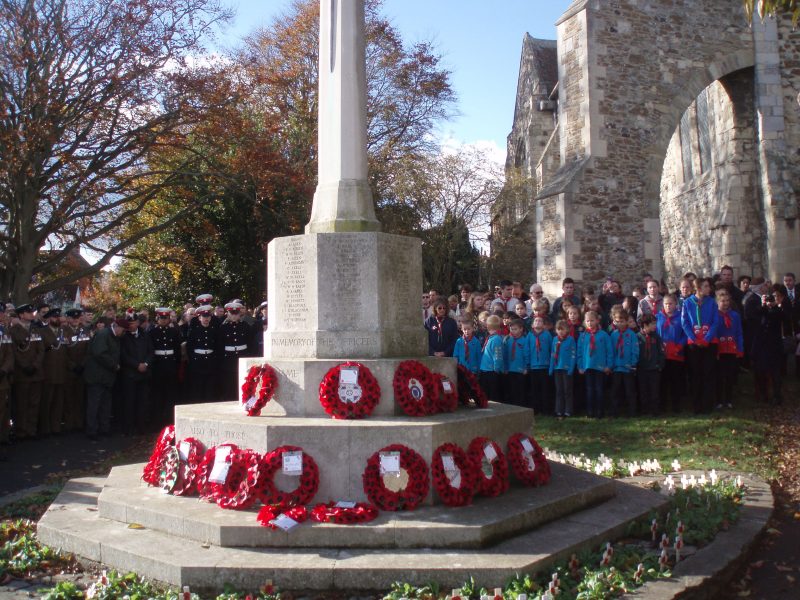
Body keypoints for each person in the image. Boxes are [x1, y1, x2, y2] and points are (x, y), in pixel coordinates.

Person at [681, 277, 720, 414]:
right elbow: (685, 322)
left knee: (708, 373)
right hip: (694, 344)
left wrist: (707, 338)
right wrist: (694, 338)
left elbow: (716, 321)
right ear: (698, 288)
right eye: (706, 286)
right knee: (695, 374)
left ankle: (708, 404)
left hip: (710, 342)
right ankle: (696, 405)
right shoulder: (687, 303)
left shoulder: (712, 302)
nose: (709, 289)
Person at [83, 318, 126, 440]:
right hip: (97, 376)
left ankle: (104, 428)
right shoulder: (103, 335)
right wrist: (114, 365)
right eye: (123, 330)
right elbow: (99, 353)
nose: (124, 333)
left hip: (107, 377)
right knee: (94, 404)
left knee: (105, 404)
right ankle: (92, 430)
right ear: (117, 327)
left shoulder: (112, 336)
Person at [10, 304, 44, 439]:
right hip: (22, 373)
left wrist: (35, 365)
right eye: (28, 312)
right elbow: (14, 351)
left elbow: (41, 350)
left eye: (31, 312)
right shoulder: (14, 331)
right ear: (21, 315)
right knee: (21, 404)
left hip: (36, 372)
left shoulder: (35, 329)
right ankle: (21, 431)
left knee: (34, 403)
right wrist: (24, 366)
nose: (31, 314)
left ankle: (31, 430)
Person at [751, 285, 786, 405]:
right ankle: (763, 394)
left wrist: (775, 306)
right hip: (761, 344)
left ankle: (777, 395)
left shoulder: (780, 310)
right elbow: (755, 315)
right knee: (761, 370)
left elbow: (781, 317)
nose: (773, 299)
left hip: (775, 345)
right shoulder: (762, 308)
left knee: (775, 372)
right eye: (772, 297)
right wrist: (763, 305)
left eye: (776, 297)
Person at [119, 316, 154, 434]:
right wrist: (136, 365)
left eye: (133, 323)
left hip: (144, 374)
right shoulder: (124, 337)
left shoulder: (145, 335)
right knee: (129, 402)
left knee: (142, 401)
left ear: (138, 323)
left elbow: (151, 351)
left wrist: (146, 364)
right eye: (129, 324)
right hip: (130, 374)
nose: (131, 326)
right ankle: (128, 428)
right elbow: (123, 355)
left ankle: (141, 427)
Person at [38, 308, 69, 435]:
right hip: (48, 372)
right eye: (54, 317)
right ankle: (45, 428)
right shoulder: (42, 332)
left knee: (58, 402)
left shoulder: (63, 331)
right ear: (49, 318)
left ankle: (56, 427)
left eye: (58, 317)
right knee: (47, 402)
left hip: (61, 372)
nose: (57, 319)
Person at [577, 310, 612, 419]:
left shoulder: (603, 335)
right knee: (589, 390)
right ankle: (590, 412)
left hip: (600, 367)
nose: (590, 323)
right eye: (587, 321)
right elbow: (579, 352)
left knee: (599, 390)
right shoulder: (583, 336)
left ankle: (600, 412)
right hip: (588, 367)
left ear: (597, 321)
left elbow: (609, 351)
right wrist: (580, 366)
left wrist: (609, 365)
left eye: (592, 320)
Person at [150, 307, 182, 426]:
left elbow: (177, 350)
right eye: (161, 318)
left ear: (169, 319)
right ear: (157, 318)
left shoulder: (174, 332)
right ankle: (157, 421)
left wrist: (175, 366)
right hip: (158, 366)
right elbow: (150, 350)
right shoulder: (152, 332)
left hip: (170, 365)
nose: (163, 320)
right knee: (157, 395)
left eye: (166, 318)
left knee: (170, 394)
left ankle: (169, 420)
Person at [657, 294, 687, 413]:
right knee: (662, 381)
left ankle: (676, 406)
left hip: (676, 353)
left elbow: (685, 334)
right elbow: (655, 333)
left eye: (670, 303)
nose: (668, 306)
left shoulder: (681, 317)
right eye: (666, 304)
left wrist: (679, 346)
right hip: (662, 353)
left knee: (676, 381)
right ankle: (662, 406)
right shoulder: (658, 317)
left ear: (675, 304)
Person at [715, 289, 743, 410]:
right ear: (717, 302)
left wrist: (740, 348)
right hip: (719, 350)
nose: (725, 303)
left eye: (727, 301)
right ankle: (719, 400)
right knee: (719, 376)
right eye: (722, 301)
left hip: (731, 349)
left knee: (730, 376)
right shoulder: (715, 315)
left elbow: (739, 333)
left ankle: (729, 400)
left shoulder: (735, 315)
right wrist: (715, 350)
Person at [218, 301, 252, 401]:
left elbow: (250, 342)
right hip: (228, 359)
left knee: (242, 382)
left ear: (239, 314)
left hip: (242, 356)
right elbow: (220, 345)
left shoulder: (245, 326)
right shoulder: (223, 327)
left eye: (236, 313)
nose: (234, 316)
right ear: (228, 314)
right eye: (232, 313)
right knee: (229, 384)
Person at [64, 308, 90, 432]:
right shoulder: (63, 331)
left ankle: (79, 423)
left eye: (77, 318)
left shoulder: (85, 330)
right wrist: (72, 365)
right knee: (68, 398)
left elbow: (89, 350)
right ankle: (69, 424)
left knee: (80, 398)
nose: (75, 320)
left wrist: (83, 364)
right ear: (68, 318)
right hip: (69, 370)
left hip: (82, 369)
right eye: (73, 318)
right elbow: (62, 352)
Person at [609, 309, 639, 417]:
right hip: (616, 367)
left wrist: (633, 363)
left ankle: (632, 411)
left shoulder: (632, 335)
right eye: (617, 321)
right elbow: (611, 351)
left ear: (626, 321)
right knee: (615, 390)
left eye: (622, 321)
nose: (620, 324)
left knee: (630, 390)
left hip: (628, 367)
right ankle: (614, 412)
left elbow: (635, 350)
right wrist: (611, 364)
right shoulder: (613, 335)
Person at [186, 305, 219, 403]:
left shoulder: (214, 330)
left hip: (210, 360)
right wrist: (193, 360)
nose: (206, 319)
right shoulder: (194, 331)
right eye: (204, 316)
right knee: (198, 387)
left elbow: (217, 346)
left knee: (210, 388)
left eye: (208, 316)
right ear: (199, 318)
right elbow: (189, 347)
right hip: (198, 361)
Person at [637, 314, 665, 416]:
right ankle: (644, 410)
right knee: (643, 390)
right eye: (652, 324)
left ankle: (655, 410)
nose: (655, 326)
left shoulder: (656, 337)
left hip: (654, 369)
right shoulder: (637, 337)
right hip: (642, 369)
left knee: (654, 391)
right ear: (645, 325)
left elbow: (661, 351)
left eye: (655, 323)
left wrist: (660, 365)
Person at [549, 319, 576, 418]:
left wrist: (571, 368)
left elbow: (573, 355)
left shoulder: (571, 340)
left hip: (566, 369)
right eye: (558, 329)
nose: (560, 331)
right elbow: (553, 354)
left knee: (567, 390)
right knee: (559, 390)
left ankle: (568, 410)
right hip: (557, 368)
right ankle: (558, 410)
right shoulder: (555, 339)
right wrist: (551, 368)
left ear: (567, 330)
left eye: (562, 329)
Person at [527, 316, 552, 413]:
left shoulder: (547, 334)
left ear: (544, 325)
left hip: (545, 366)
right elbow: (527, 350)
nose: (538, 322)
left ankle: (546, 409)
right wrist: (528, 363)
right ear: (532, 325)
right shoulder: (530, 335)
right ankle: (536, 409)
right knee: (535, 389)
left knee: (545, 389)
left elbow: (551, 349)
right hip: (534, 366)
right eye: (536, 321)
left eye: (540, 321)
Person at [479, 315, 505, 403]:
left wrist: (497, 368)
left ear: (488, 326)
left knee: (493, 394)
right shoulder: (491, 337)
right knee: (486, 393)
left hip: (492, 371)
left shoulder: (496, 339)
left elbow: (497, 355)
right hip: (485, 369)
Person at [503, 317, 529, 406]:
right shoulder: (507, 340)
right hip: (510, 369)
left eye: (515, 329)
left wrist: (526, 367)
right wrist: (505, 367)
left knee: (521, 390)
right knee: (512, 389)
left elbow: (526, 355)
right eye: (511, 329)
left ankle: (521, 406)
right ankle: (513, 406)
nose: (513, 331)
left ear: (521, 329)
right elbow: (505, 355)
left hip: (520, 369)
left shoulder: (524, 340)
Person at [0, 303, 14, 455]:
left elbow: (10, 354)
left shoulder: (4, 332)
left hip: (2, 380)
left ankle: (2, 441)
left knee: (2, 413)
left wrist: (4, 370)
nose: (3, 315)